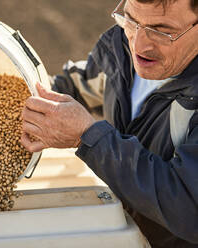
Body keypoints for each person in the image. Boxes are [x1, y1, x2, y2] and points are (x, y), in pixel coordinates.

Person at [20, 0, 198, 247]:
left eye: (163, 31)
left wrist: (88, 136)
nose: (139, 44)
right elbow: (82, 85)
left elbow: (189, 208)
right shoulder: (120, 51)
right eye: (131, 21)